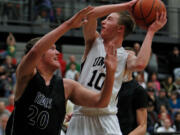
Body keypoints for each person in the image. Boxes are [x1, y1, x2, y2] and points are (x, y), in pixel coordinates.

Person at [5, 6, 118, 135]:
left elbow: (101, 101)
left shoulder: (66, 86)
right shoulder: (26, 76)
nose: (57, 52)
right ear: (41, 54)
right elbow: (35, 51)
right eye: (52, 48)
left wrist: (111, 73)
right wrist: (69, 24)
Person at [66, 0, 167, 134]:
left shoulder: (125, 56)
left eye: (109, 19)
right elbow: (90, 14)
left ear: (120, 28)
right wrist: (125, 6)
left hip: (106, 117)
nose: (103, 22)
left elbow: (140, 63)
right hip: (81, 116)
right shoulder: (94, 42)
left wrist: (151, 31)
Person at [116, 47, 148, 135]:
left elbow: (142, 126)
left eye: (131, 58)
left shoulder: (138, 90)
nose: (128, 60)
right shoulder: (108, 85)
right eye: (126, 57)